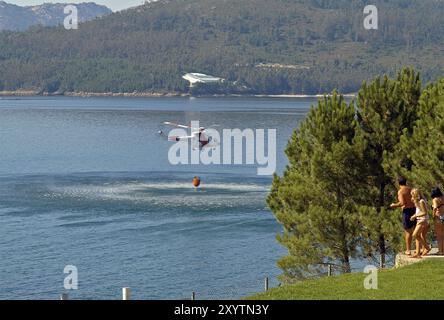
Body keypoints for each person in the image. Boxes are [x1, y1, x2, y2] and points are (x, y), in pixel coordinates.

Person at [390, 177, 417, 255]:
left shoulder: (401, 191)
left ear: (398, 184)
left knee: (408, 232)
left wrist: (394, 205)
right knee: (416, 230)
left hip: (407, 211)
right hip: (414, 209)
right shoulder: (411, 189)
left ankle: (408, 250)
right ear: (406, 182)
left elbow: (402, 203)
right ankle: (420, 248)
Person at [409, 188, 431, 258]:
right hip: (420, 220)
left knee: (415, 235)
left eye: (412, 195)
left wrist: (415, 216)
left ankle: (427, 247)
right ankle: (418, 253)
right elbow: (419, 210)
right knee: (417, 236)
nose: (411, 196)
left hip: (423, 220)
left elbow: (424, 212)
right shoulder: (418, 201)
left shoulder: (421, 201)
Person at [431, 187, 444, 255]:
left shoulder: (435, 199)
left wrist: (433, 215)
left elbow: (435, 207)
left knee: (439, 235)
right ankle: (443, 250)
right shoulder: (443, 197)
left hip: (438, 217)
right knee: (443, 234)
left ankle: (440, 251)